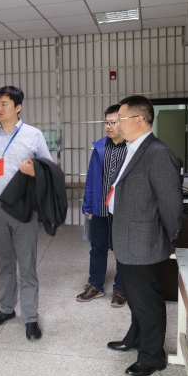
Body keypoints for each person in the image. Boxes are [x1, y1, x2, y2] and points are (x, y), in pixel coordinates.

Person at [106, 95, 183, 376]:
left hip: (143, 241)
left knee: (147, 300)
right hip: (126, 237)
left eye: (121, 119)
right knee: (135, 296)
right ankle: (135, 338)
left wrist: (170, 235)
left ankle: (152, 357)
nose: (116, 124)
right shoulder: (132, 148)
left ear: (139, 119)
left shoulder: (158, 153)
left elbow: (171, 203)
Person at [0, 86, 51, 341]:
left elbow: (48, 170)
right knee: (5, 263)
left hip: (24, 206)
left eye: (4, 103)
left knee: (26, 265)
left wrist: (34, 171)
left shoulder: (33, 135)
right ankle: (6, 309)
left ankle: (30, 317)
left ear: (18, 107)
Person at [77, 104, 128, 307]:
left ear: (122, 123)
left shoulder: (131, 148)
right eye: (106, 122)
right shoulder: (99, 148)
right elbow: (91, 179)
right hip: (100, 209)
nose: (108, 126)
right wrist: (88, 207)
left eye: (112, 122)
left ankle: (120, 288)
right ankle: (95, 285)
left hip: (123, 211)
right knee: (97, 249)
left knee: (122, 251)